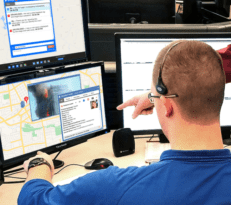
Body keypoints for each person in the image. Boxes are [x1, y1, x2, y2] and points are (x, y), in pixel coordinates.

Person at [18, 41, 231, 205]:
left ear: (166, 105)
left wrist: (40, 166)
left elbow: (33, 200)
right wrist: (156, 95)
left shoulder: (115, 186)